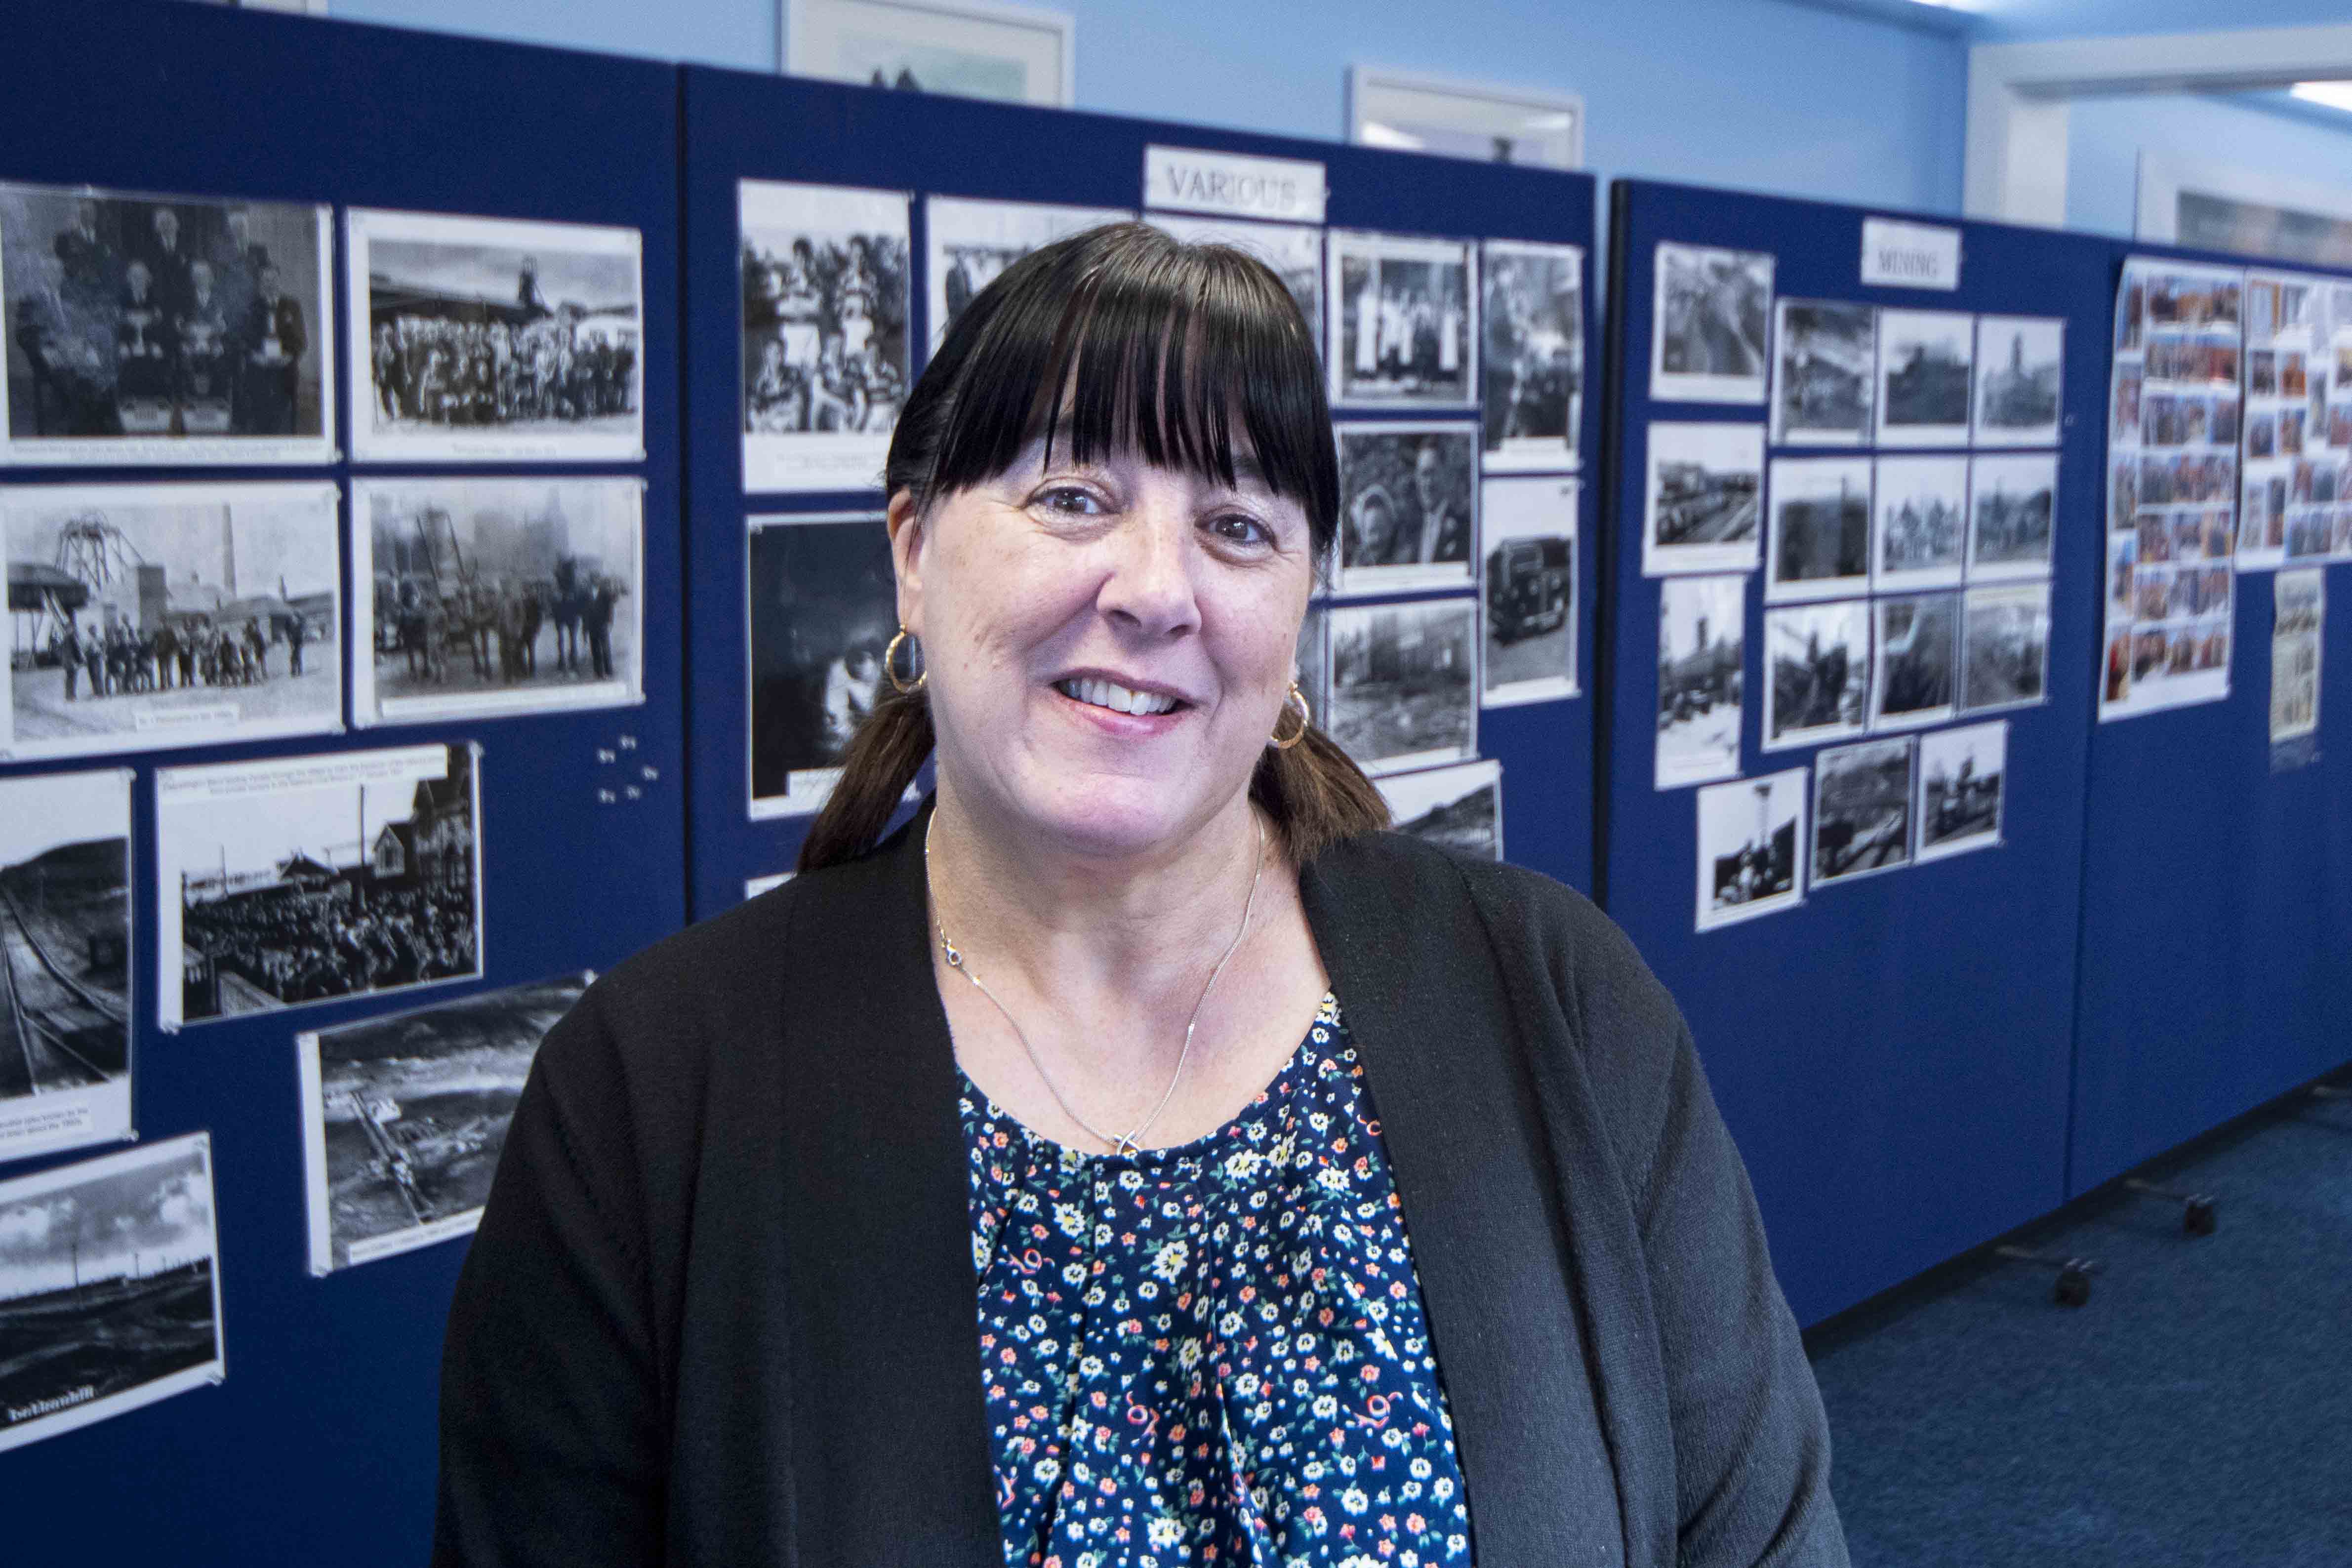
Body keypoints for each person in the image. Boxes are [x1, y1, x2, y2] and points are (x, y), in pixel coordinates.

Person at [434, 223, 1846, 1568]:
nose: (1157, 590)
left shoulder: (1559, 1004)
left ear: (1299, 607)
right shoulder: (651, 1094)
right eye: (1072, 499)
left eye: (1236, 525)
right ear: (913, 552)